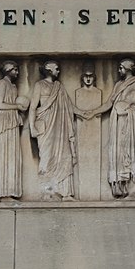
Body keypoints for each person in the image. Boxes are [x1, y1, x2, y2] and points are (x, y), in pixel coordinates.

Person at [85, 58, 135, 199]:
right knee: (119, 156)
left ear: (128, 69)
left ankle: (133, 190)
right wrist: (94, 111)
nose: (119, 70)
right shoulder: (118, 85)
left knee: (130, 154)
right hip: (118, 125)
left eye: (121, 68)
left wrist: (129, 109)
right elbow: (110, 103)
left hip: (131, 125)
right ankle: (122, 189)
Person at [28, 60, 80, 200]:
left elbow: (69, 106)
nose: (58, 71)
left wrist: (85, 112)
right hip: (45, 127)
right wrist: (32, 127)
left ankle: (66, 193)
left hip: (60, 127)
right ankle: (47, 192)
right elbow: (33, 107)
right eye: (56, 68)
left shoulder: (59, 87)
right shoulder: (39, 85)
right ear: (48, 70)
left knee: (64, 156)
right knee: (46, 158)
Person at [0, 60, 27, 201]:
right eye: (15, 70)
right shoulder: (2, 83)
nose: (17, 72)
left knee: (12, 156)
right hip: (3, 122)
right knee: (3, 156)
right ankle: (1, 192)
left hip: (12, 121)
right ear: (8, 70)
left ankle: (9, 191)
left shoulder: (13, 86)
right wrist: (17, 106)